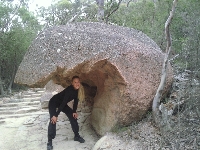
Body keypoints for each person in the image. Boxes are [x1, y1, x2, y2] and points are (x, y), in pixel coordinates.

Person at [47, 76, 85, 150]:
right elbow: (64, 102)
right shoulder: (69, 90)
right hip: (54, 102)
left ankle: (76, 136)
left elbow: (76, 102)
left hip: (62, 104)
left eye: (78, 82)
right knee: (53, 119)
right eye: (75, 82)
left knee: (73, 116)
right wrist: (56, 115)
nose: (77, 84)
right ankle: (49, 141)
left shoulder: (77, 90)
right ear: (72, 83)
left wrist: (74, 111)